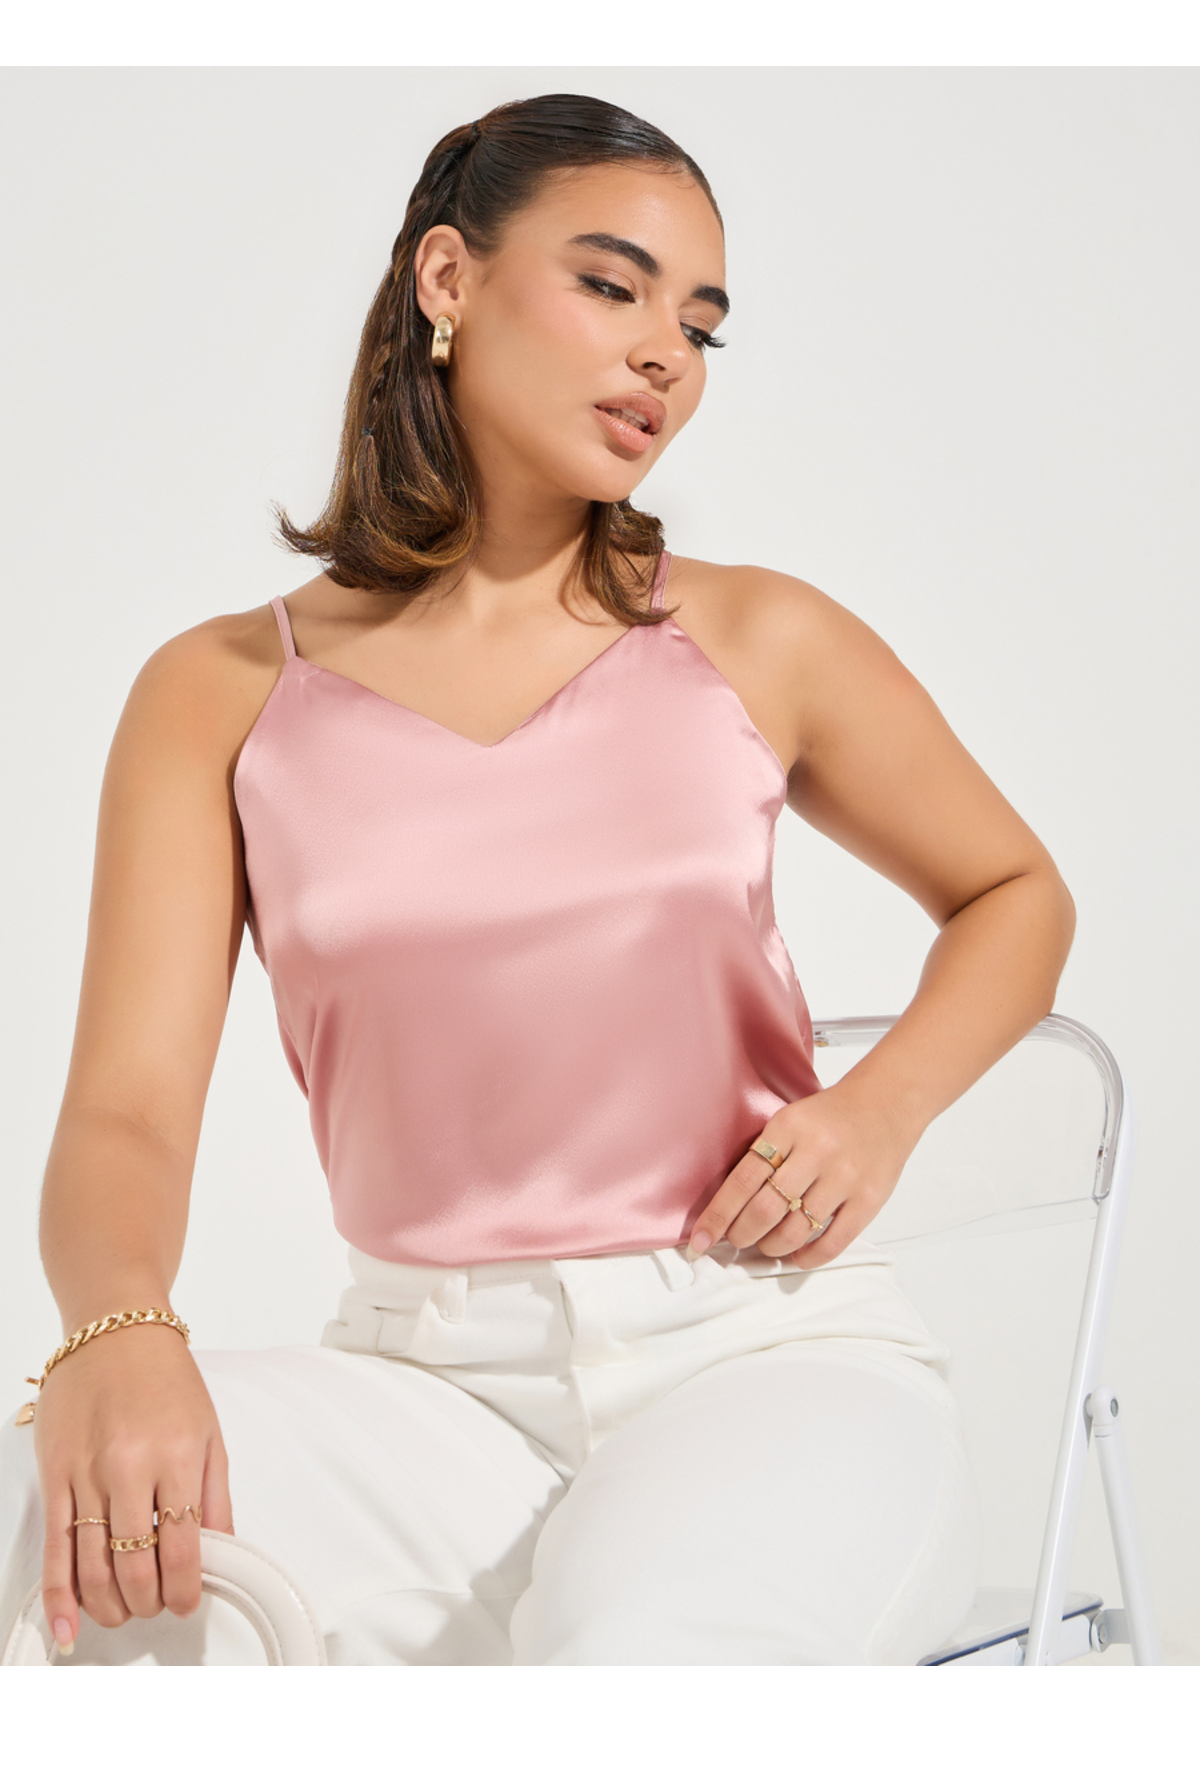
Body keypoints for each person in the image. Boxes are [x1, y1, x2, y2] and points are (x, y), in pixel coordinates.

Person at [0, 92, 1075, 1666]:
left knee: (643, 1654)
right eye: (612, 285)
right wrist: (117, 1333)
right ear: (448, 278)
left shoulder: (757, 637)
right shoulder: (220, 691)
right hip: (421, 1388)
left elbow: (1015, 889)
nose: (666, 355)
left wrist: (880, 1109)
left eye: (699, 325)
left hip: (757, 1360)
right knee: (47, 1512)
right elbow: (128, 1113)